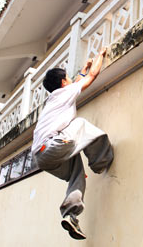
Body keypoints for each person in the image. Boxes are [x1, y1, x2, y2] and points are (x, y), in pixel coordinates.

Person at [32, 47, 114, 240]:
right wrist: (100, 55)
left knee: (77, 172)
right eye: (67, 77)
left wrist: (83, 70)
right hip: (52, 145)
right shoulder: (64, 93)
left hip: (42, 158)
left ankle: (71, 215)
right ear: (63, 82)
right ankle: (101, 162)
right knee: (80, 124)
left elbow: (77, 80)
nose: (70, 79)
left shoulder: (55, 98)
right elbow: (92, 76)